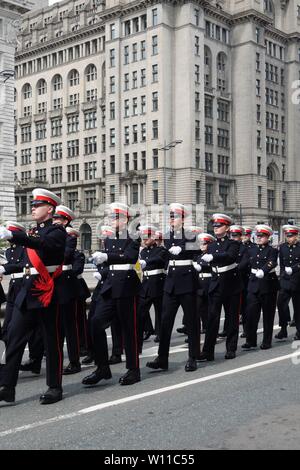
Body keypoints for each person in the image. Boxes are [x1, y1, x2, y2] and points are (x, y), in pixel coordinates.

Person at [0, 188, 66, 405]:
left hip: (46, 291)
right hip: (28, 292)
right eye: (33, 205)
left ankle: (54, 386)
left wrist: (14, 235)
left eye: (38, 205)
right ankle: (7, 387)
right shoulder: (34, 232)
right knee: (14, 338)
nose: (33, 208)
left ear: (49, 209)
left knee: (51, 340)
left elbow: (42, 246)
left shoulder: (56, 232)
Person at [82, 202, 141, 387]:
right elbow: (108, 264)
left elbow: (130, 257)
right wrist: (103, 269)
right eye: (110, 217)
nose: (111, 220)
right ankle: (102, 367)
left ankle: (133, 369)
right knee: (95, 323)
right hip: (110, 286)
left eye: (115, 217)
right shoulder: (108, 238)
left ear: (125, 219)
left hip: (126, 285)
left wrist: (108, 257)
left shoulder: (134, 236)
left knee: (128, 329)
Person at [146, 204, 200, 373]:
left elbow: (196, 248)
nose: (171, 220)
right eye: (170, 217)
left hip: (186, 282)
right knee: (165, 322)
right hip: (170, 284)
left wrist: (182, 248)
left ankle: (193, 357)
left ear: (183, 219)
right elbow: (165, 254)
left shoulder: (190, 234)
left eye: (174, 217)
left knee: (191, 321)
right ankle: (162, 358)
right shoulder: (167, 236)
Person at [198, 214, 241, 362]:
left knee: (231, 318)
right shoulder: (211, 245)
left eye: (219, 226)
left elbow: (230, 256)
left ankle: (231, 348)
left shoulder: (233, 243)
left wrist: (213, 258)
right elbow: (207, 263)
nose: (216, 228)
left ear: (227, 228)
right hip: (215, 283)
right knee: (212, 318)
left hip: (231, 284)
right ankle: (208, 351)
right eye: (215, 226)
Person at [241, 225, 279, 350]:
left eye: (261, 236)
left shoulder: (272, 250)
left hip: (268, 285)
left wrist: (264, 270)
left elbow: (272, 262)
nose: (259, 238)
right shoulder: (251, 249)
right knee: (251, 314)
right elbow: (244, 263)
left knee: (268, 315)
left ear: (268, 237)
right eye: (257, 236)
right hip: (253, 284)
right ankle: (250, 341)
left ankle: (266, 341)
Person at [138, 225, 168, 351]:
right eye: (143, 238)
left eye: (147, 238)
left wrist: (147, 262)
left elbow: (159, 259)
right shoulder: (143, 252)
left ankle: (160, 333)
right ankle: (146, 330)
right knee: (141, 310)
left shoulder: (161, 250)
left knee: (159, 310)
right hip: (146, 283)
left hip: (158, 283)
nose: (144, 240)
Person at [275, 225, 300, 341]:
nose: (288, 238)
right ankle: (283, 329)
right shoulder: (283, 247)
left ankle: (299, 331)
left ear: (296, 236)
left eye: (291, 236)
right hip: (285, 280)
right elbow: (282, 264)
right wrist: (282, 276)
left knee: (298, 307)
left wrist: (294, 269)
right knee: (281, 304)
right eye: (287, 236)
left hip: (297, 280)